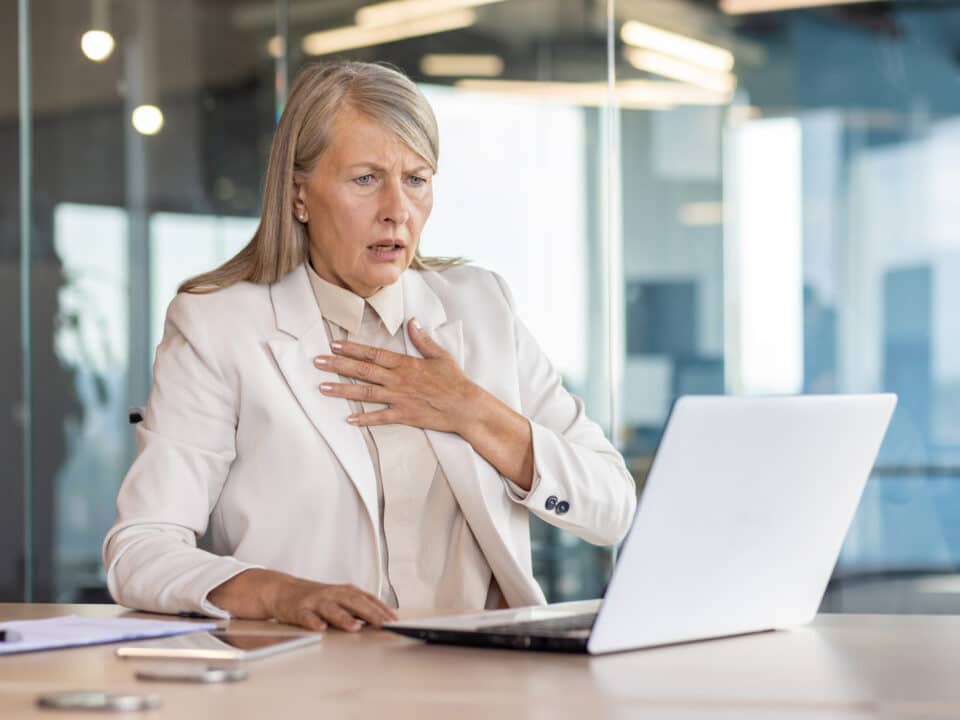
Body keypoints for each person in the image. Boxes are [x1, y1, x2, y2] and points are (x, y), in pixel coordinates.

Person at [103, 61, 636, 632]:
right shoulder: (218, 326)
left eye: (416, 179)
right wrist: (278, 593)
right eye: (365, 179)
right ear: (299, 194)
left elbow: (613, 508)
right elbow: (140, 549)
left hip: (485, 680)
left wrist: (472, 411)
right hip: (310, 683)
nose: (397, 210)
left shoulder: (482, 309)